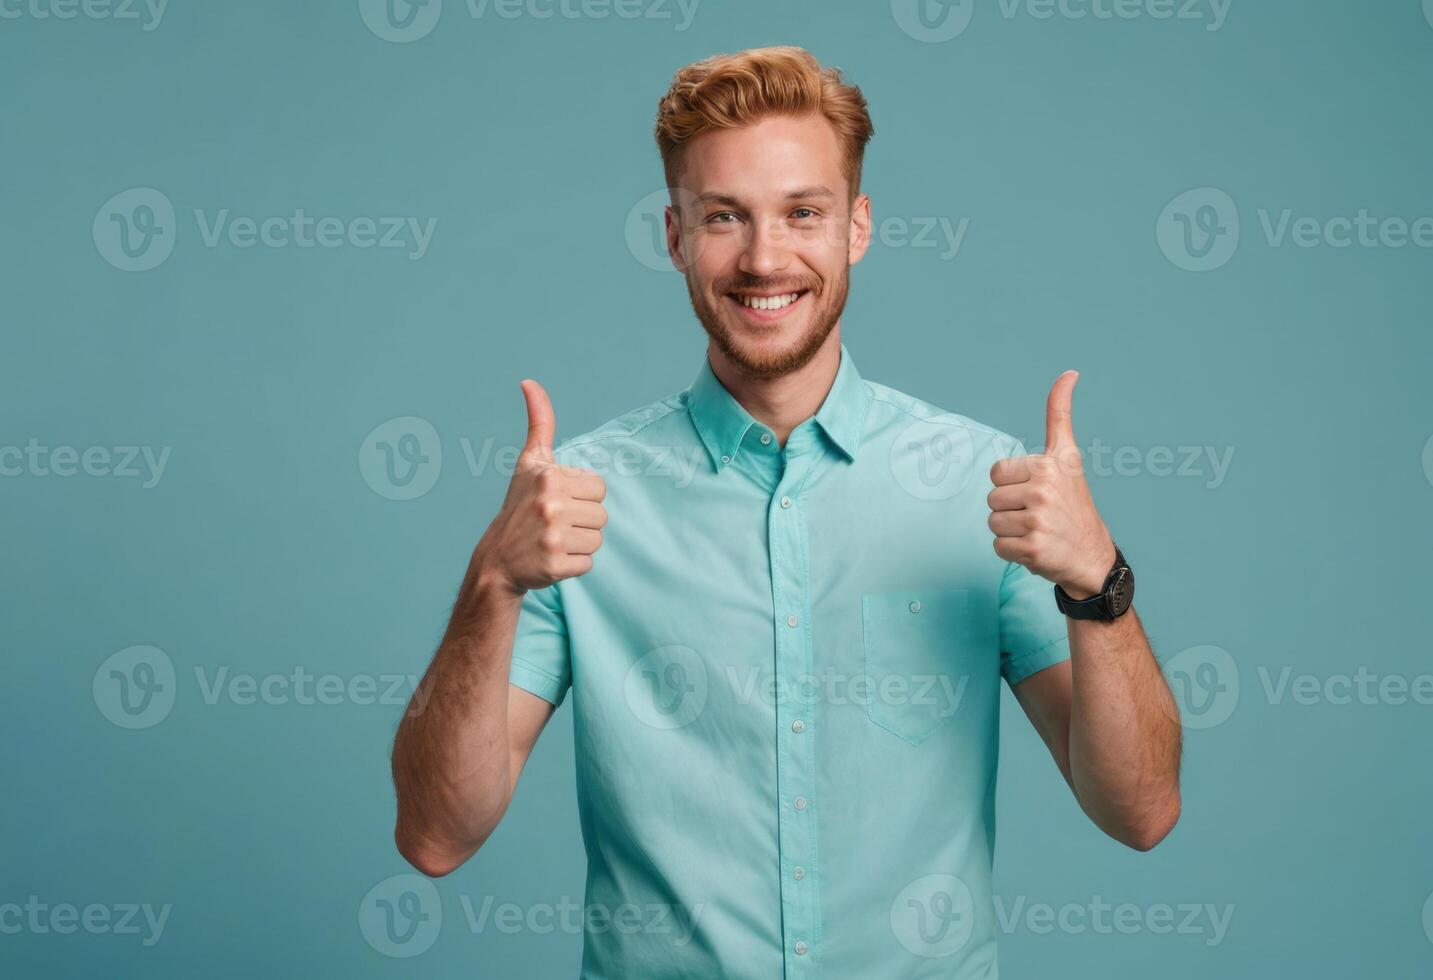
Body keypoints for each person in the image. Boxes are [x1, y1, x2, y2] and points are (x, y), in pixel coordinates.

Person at [391, 45, 1181, 978]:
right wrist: (491, 582)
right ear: (675, 237)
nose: (765, 259)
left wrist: (1099, 583)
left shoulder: (984, 487)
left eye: (802, 212)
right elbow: (438, 836)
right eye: (724, 217)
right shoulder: (577, 505)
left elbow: (1139, 813)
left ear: (857, 227)